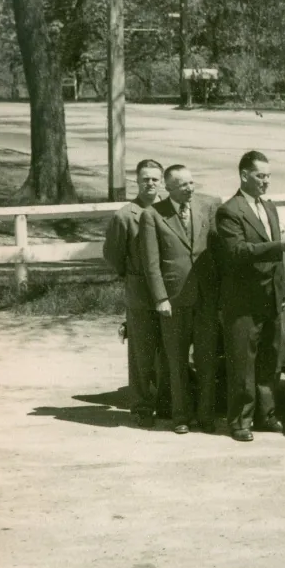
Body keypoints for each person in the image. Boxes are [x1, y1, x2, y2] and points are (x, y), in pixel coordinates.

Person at [215, 151, 285, 442]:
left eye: (268, 176)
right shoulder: (230, 211)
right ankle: (240, 421)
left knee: (270, 361)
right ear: (244, 176)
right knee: (243, 363)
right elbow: (237, 252)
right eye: (260, 176)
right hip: (244, 301)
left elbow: (277, 259)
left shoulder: (270, 207)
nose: (266, 181)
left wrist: (282, 291)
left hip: (271, 298)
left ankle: (267, 415)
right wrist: (278, 245)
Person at [139, 164, 220, 435]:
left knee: (207, 359)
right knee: (176, 361)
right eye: (184, 185)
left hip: (205, 298)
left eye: (192, 183)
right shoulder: (152, 215)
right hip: (173, 301)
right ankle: (181, 416)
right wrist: (161, 297)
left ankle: (206, 416)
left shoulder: (204, 209)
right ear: (169, 187)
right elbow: (151, 264)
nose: (191, 188)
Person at [102, 159, 167, 428]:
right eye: (144, 179)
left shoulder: (169, 209)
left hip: (169, 290)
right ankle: (142, 406)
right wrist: (132, 277)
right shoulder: (125, 216)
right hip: (141, 292)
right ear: (136, 182)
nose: (150, 184)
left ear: (162, 181)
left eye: (154, 179)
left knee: (169, 351)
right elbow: (114, 254)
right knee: (142, 352)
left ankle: (166, 402)